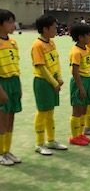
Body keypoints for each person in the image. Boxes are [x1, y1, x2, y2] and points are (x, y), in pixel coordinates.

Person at [31, 14, 68, 156]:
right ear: (45, 29)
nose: (56, 29)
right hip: (42, 82)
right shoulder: (37, 45)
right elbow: (41, 67)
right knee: (42, 112)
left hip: (53, 82)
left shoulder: (51, 43)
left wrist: (59, 77)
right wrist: (53, 82)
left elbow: (55, 62)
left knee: (50, 112)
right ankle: (39, 144)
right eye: (54, 27)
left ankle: (51, 140)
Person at [0, 9, 22, 166]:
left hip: (14, 81)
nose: (13, 25)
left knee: (11, 118)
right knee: (2, 119)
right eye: (10, 21)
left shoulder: (13, 42)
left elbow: (16, 65)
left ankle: (7, 150)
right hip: (2, 82)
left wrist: (19, 85)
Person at [69, 23, 90, 146]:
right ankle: (74, 136)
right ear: (80, 37)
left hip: (87, 80)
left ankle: (81, 133)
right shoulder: (76, 52)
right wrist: (81, 87)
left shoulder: (86, 49)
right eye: (88, 35)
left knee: (84, 108)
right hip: (80, 81)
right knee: (77, 109)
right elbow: (75, 71)